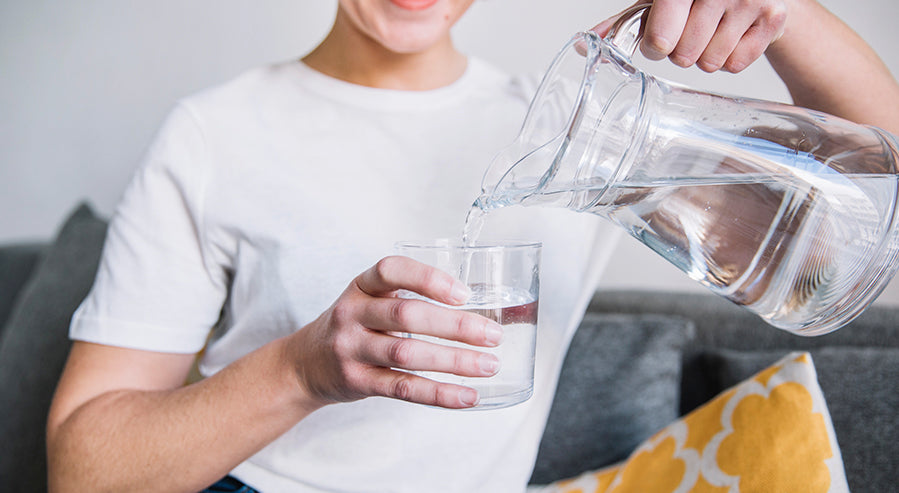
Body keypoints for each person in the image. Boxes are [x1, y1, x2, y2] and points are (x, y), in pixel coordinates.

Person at [46, 1, 899, 492]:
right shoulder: (214, 133)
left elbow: (873, 191)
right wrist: (302, 368)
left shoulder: (575, 133)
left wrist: (779, 13)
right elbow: (83, 469)